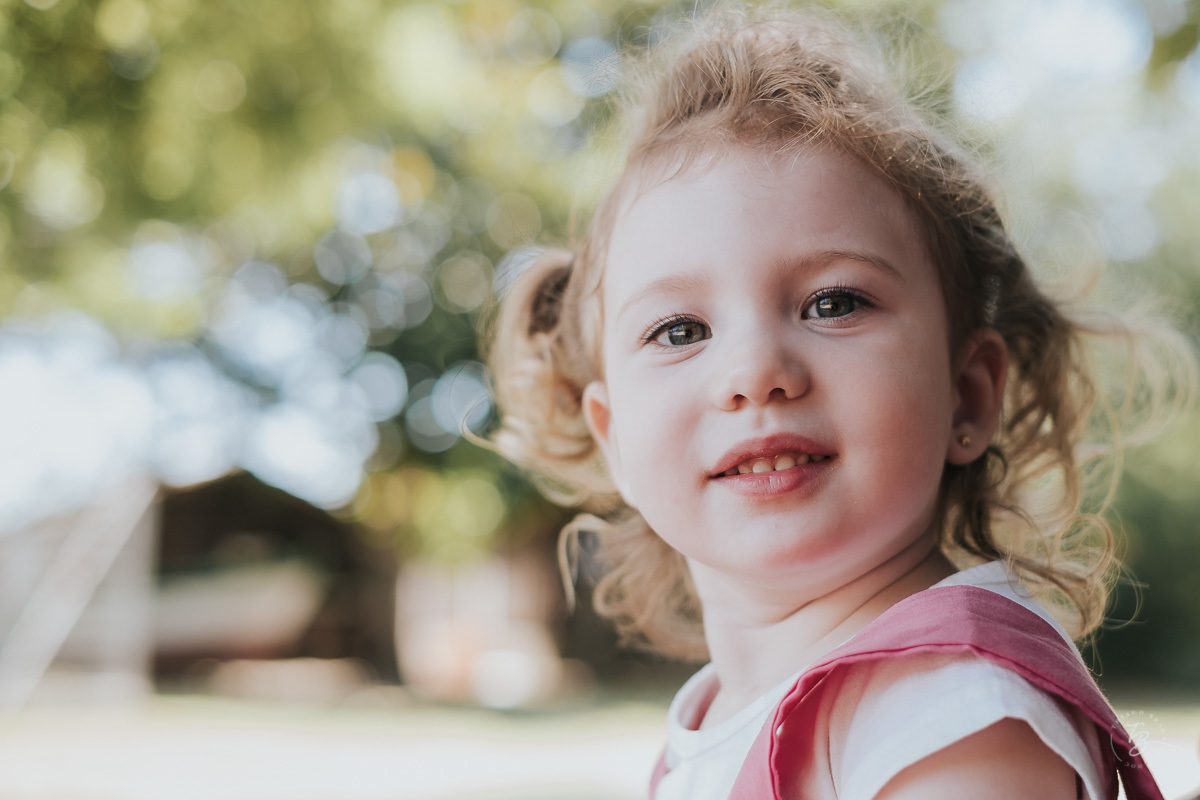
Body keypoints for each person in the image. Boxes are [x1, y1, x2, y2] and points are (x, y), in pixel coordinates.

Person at [484, 6, 1190, 799]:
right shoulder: (717, 717)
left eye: (833, 303)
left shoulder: (950, 713)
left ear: (968, 395)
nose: (755, 372)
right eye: (680, 329)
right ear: (612, 438)